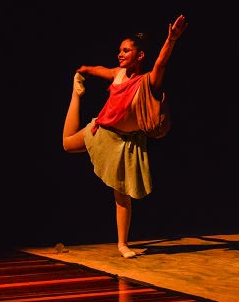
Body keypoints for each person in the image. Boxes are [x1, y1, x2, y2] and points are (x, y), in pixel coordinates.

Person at [62, 14, 188, 258]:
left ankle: (122, 244)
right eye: (120, 50)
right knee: (67, 144)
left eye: (126, 51)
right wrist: (86, 70)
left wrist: (171, 39)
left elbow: (161, 63)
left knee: (122, 194)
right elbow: (102, 70)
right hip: (102, 133)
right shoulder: (118, 74)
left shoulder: (147, 82)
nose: (120, 54)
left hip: (123, 143)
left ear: (139, 56)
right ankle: (75, 95)